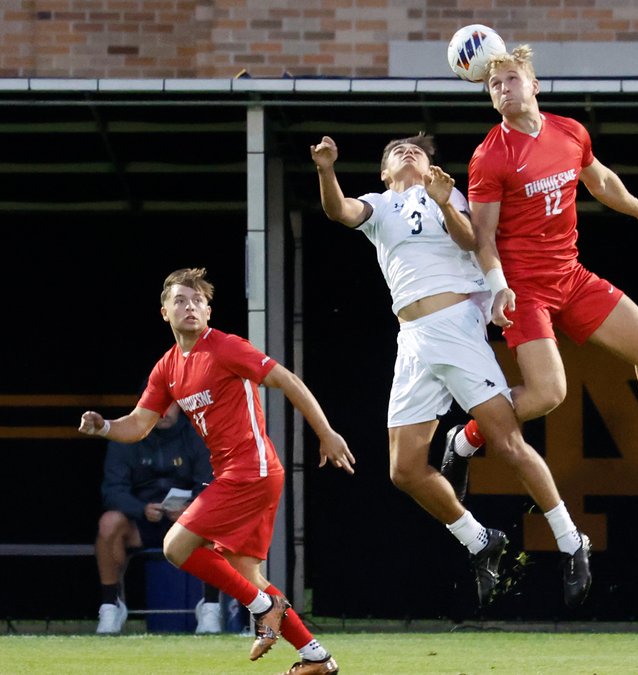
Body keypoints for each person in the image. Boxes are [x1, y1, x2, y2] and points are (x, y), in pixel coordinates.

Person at [441, 44, 638, 487]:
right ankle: (465, 439)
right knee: (548, 394)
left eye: (511, 79)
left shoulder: (569, 132)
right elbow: (482, 238)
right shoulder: (490, 156)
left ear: (534, 85)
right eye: (494, 84)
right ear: (490, 97)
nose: (503, 89)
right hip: (524, 290)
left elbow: (601, 180)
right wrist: (498, 287)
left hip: (571, 276)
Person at [310, 133, 592, 607]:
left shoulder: (449, 194)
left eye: (416, 150)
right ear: (383, 173)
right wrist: (324, 169)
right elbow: (339, 211)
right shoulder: (379, 206)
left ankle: (569, 540)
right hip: (412, 340)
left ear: (431, 165)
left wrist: (444, 203)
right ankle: (481, 542)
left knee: (508, 443)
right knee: (404, 471)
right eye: (395, 151)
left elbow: (473, 240)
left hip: (455, 326)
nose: (406, 153)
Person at [79, 267, 354, 675]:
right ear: (164, 312)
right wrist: (103, 427)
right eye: (180, 300)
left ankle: (266, 609)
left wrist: (326, 432)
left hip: (251, 470)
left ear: (209, 311)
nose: (189, 307)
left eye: (197, 301)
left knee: (176, 546)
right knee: (246, 574)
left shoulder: (225, 347)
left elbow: (289, 381)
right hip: (241, 474)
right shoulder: (167, 367)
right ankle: (317, 657)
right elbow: (138, 424)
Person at [95, 399, 222, 635]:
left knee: (212, 520)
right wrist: (141, 509)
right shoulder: (125, 435)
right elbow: (112, 491)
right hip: (141, 523)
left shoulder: (198, 434)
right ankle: (111, 605)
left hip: (185, 526)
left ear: (180, 405)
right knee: (108, 522)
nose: (163, 412)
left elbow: (212, 484)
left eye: (169, 404)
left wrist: (190, 507)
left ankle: (210, 606)